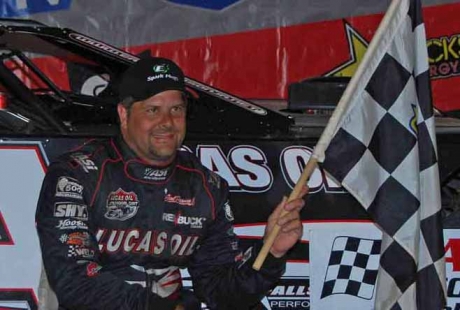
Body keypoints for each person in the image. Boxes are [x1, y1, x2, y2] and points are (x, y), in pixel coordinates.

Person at [35, 56, 308, 310]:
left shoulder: (205, 186)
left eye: (176, 109)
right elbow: (76, 281)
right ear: (123, 115)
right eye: (153, 110)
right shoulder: (77, 174)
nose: (167, 122)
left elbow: (219, 290)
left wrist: (271, 251)